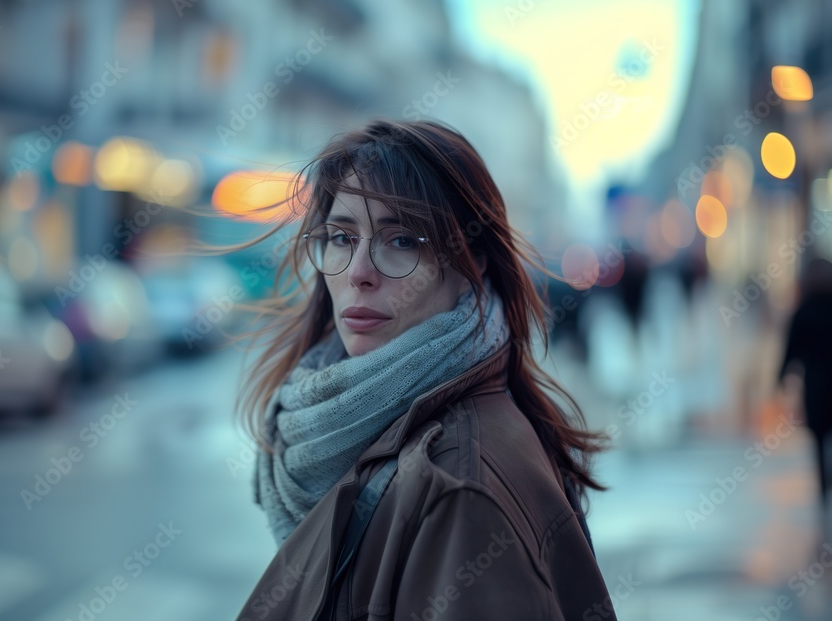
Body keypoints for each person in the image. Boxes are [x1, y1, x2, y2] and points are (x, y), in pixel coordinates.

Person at [228, 119, 617, 619]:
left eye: (403, 240)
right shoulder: (372, 426)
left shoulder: (461, 493)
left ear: (473, 261)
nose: (359, 272)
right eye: (342, 237)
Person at [778, 256, 832, 537]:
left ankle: (824, 494)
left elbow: (791, 351)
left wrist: (781, 379)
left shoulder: (804, 310)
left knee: (819, 444)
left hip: (817, 389)